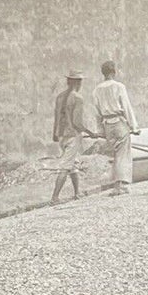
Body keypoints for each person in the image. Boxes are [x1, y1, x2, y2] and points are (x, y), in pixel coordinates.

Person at [92, 60, 138, 195]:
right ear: (114, 72)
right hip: (119, 122)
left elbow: (97, 113)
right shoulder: (119, 86)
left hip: (107, 125)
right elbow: (126, 107)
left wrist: (99, 130)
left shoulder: (96, 90)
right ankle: (122, 185)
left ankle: (117, 185)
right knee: (123, 154)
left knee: (115, 154)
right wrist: (134, 126)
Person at [50, 68, 91, 204]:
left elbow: (56, 117)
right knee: (66, 166)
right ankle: (55, 198)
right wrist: (91, 133)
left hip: (61, 136)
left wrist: (55, 134)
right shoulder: (78, 98)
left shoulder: (60, 97)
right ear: (77, 82)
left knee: (73, 164)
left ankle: (77, 193)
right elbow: (77, 122)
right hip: (73, 135)